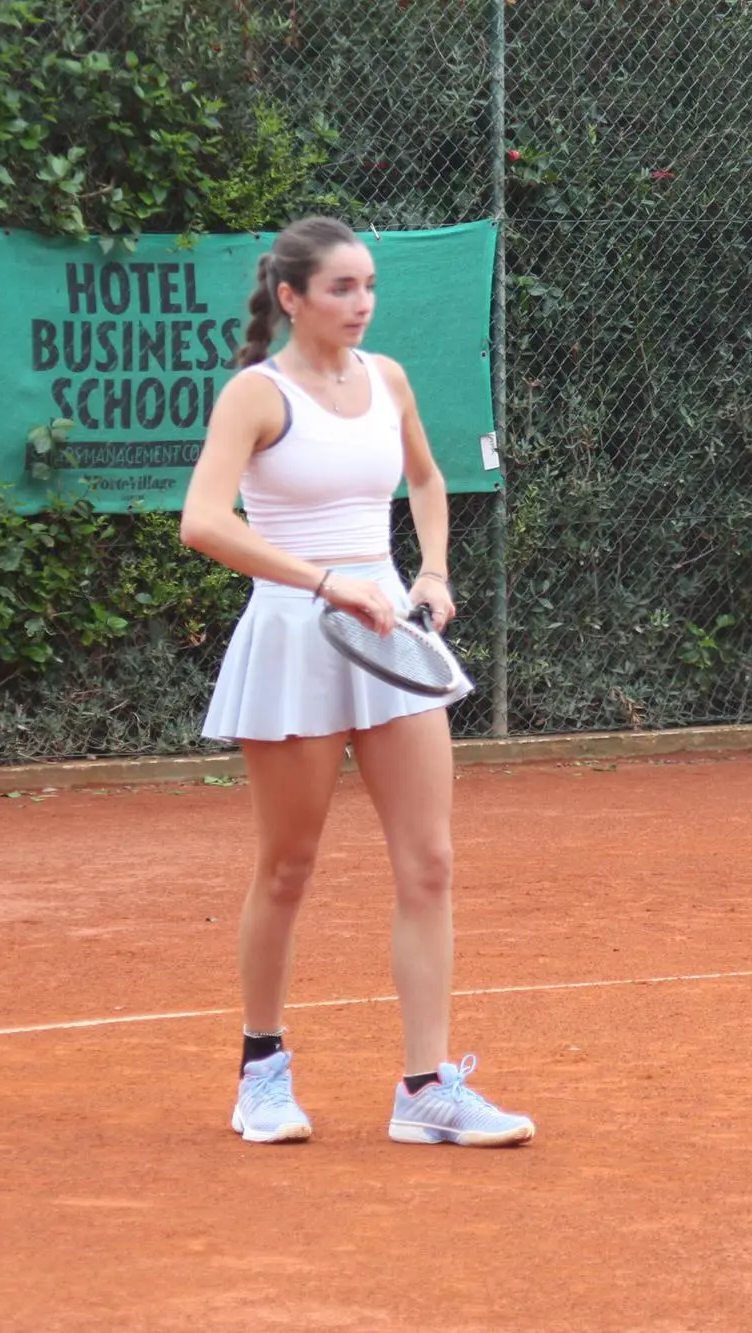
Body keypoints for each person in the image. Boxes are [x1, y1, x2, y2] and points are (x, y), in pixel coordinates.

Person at [180, 216, 535, 1146]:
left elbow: (425, 476)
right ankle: (262, 1071)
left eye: (368, 285)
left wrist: (430, 570)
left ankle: (424, 1088)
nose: (362, 302)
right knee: (288, 865)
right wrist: (326, 581)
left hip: (390, 636)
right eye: (340, 287)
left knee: (430, 861)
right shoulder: (254, 396)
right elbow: (204, 523)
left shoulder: (390, 382)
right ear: (290, 297)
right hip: (297, 634)